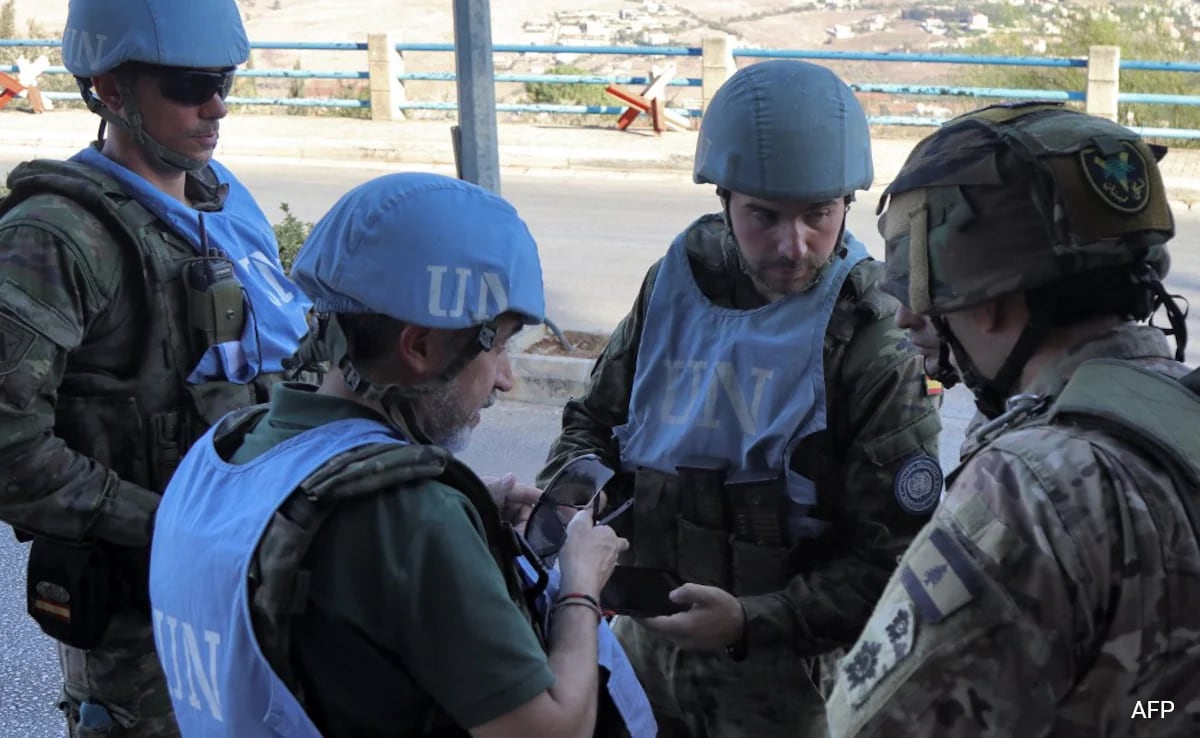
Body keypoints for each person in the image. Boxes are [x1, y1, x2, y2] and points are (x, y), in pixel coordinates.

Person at [147, 172, 657, 738]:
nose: (507, 380)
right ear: (419, 347)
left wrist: (463, 518)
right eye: (503, 344)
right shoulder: (411, 515)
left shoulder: (228, 451)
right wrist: (581, 585)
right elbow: (551, 731)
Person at [537, 59, 944, 738]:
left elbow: (895, 564)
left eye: (820, 214)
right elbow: (592, 423)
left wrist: (751, 621)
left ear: (848, 200)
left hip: (790, 688)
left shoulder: (870, 333)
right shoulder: (676, 279)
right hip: (644, 655)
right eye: (764, 215)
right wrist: (578, 496)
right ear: (722, 198)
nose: (794, 246)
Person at [826, 102, 1200, 736]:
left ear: (993, 301)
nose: (911, 318)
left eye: (925, 287)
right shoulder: (1176, 418)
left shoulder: (1029, 488)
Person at [0, 0, 315, 735]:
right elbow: (7, 449)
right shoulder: (53, 239)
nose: (217, 107)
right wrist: (172, 526)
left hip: (256, 591)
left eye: (226, 82)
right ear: (110, 90)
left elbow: (286, 372)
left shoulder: (220, 205)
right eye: (189, 85)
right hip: (143, 628)